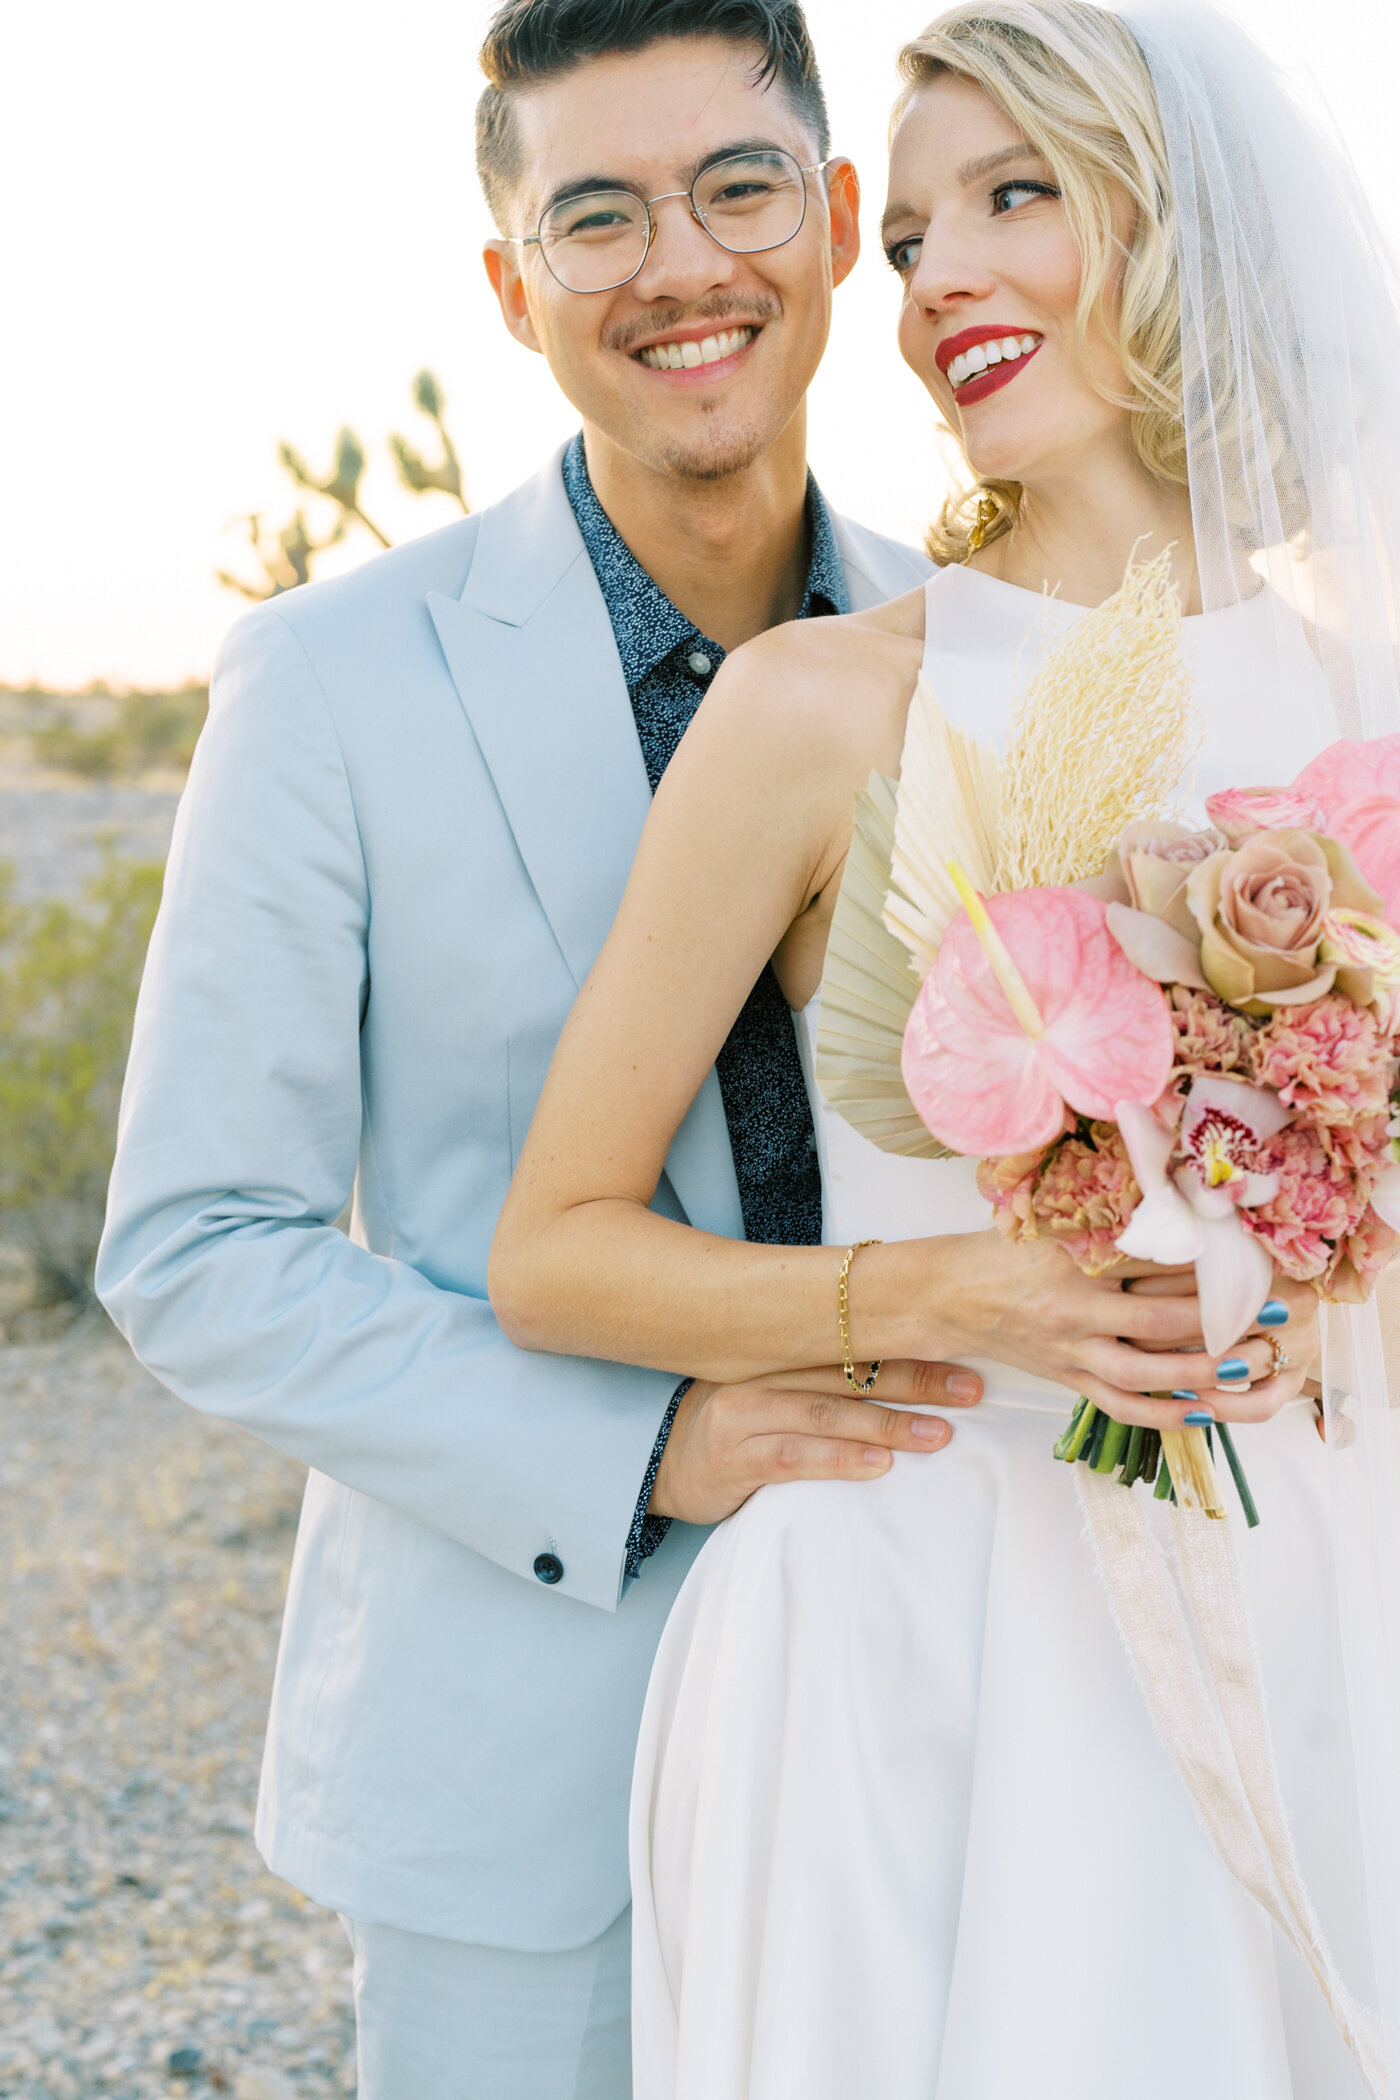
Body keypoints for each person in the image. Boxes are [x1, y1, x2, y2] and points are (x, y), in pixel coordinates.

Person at [490, 3, 1400, 2093]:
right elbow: (555, 1246)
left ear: (1181, 225)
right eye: (902, 242)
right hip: (922, 1611)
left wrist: (1308, 1288)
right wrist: (950, 1291)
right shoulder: (822, 705)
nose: (937, 285)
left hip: (1312, 1581)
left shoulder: (1355, 685)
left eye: (1014, 199)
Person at [94, 3, 982, 2094]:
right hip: (523, 1749)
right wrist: (640, 1447)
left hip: (946, 1676)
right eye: (597, 214)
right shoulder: (326, 681)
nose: (682, 265)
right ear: (513, 287)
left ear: (840, 218)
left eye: (738, 186)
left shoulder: (978, 656)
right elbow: (198, 1247)